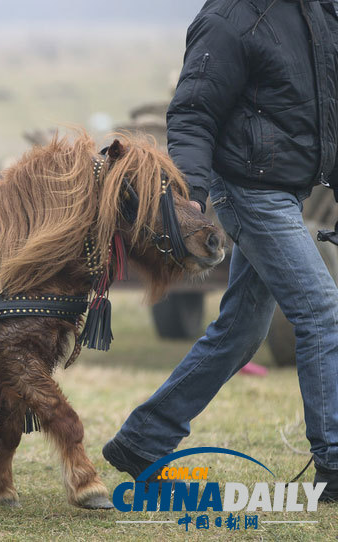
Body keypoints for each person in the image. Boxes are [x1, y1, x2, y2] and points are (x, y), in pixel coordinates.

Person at [102, 0, 338, 502]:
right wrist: (192, 194)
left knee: (239, 332)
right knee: (320, 311)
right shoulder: (230, 16)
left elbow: (329, 105)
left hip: (289, 187)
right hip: (249, 187)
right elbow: (192, 112)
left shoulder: (322, 12)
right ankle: (335, 463)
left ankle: (143, 440)